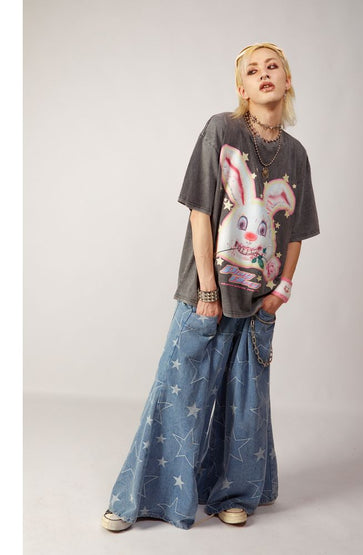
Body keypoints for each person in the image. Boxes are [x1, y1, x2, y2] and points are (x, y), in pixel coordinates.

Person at [101, 42, 320, 532]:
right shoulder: (221, 130)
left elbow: (297, 232)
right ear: (242, 88)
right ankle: (141, 498)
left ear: (287, 80)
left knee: (246, 405)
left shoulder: (297, 154)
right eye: (252, 70)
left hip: (258, 302)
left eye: (273, 66)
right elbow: (200, 213)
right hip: (208, 296)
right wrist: (207, 292)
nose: (264, 74)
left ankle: (234, 493)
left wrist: (280, 291)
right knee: (177, 395)